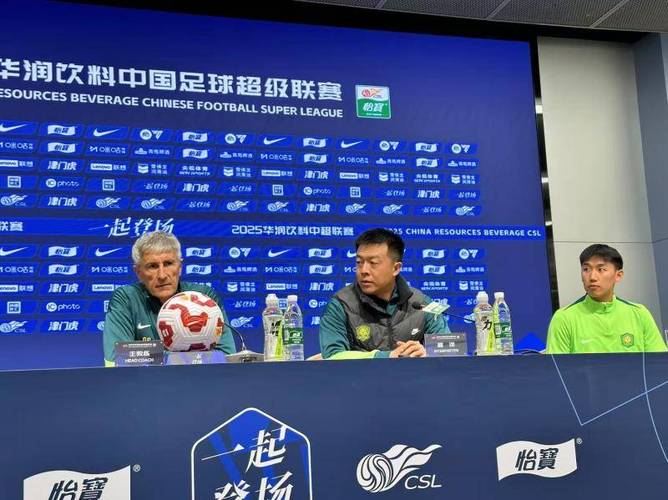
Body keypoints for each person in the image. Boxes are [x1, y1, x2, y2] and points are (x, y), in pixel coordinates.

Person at [103, 231, 236, 366]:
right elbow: (117, 360)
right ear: (138, 272)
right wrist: (191, 358)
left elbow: (226, 356)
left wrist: (152, 355)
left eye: (168, 264)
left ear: (180, 267)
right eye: (152, 266)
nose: (162, 275)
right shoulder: (126, 299)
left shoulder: (203, 298)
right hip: (145, 380)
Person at [319, 228, 448, 359]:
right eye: (359, 262)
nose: (363, 270)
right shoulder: (341, 305)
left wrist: (427, 354)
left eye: (373, 263)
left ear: (396, 268)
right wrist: (386, 356)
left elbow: (448, 351)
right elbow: (333, 355)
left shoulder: (422, 304)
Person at [546, 244, 666, 354]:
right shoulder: (564, 318)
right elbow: (557, 369)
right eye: (586, 269)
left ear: (618, 275)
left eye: (601, 269)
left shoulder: (639, 314)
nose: (592, 277)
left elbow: (659, 363)